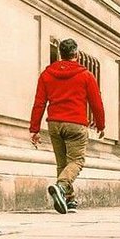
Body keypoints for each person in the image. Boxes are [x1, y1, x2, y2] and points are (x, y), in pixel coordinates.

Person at [29, 39, 105, 214]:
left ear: (59, 54)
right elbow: (96, 103)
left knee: (62, 164)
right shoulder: (86, 75)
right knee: (77, 161)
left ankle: (69, 201)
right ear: (76, 55)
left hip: (54, 123)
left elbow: (39, 103)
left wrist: (34, 129)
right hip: (76, 124)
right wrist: (101, 124)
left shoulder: (46, 75)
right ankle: (62, 188)